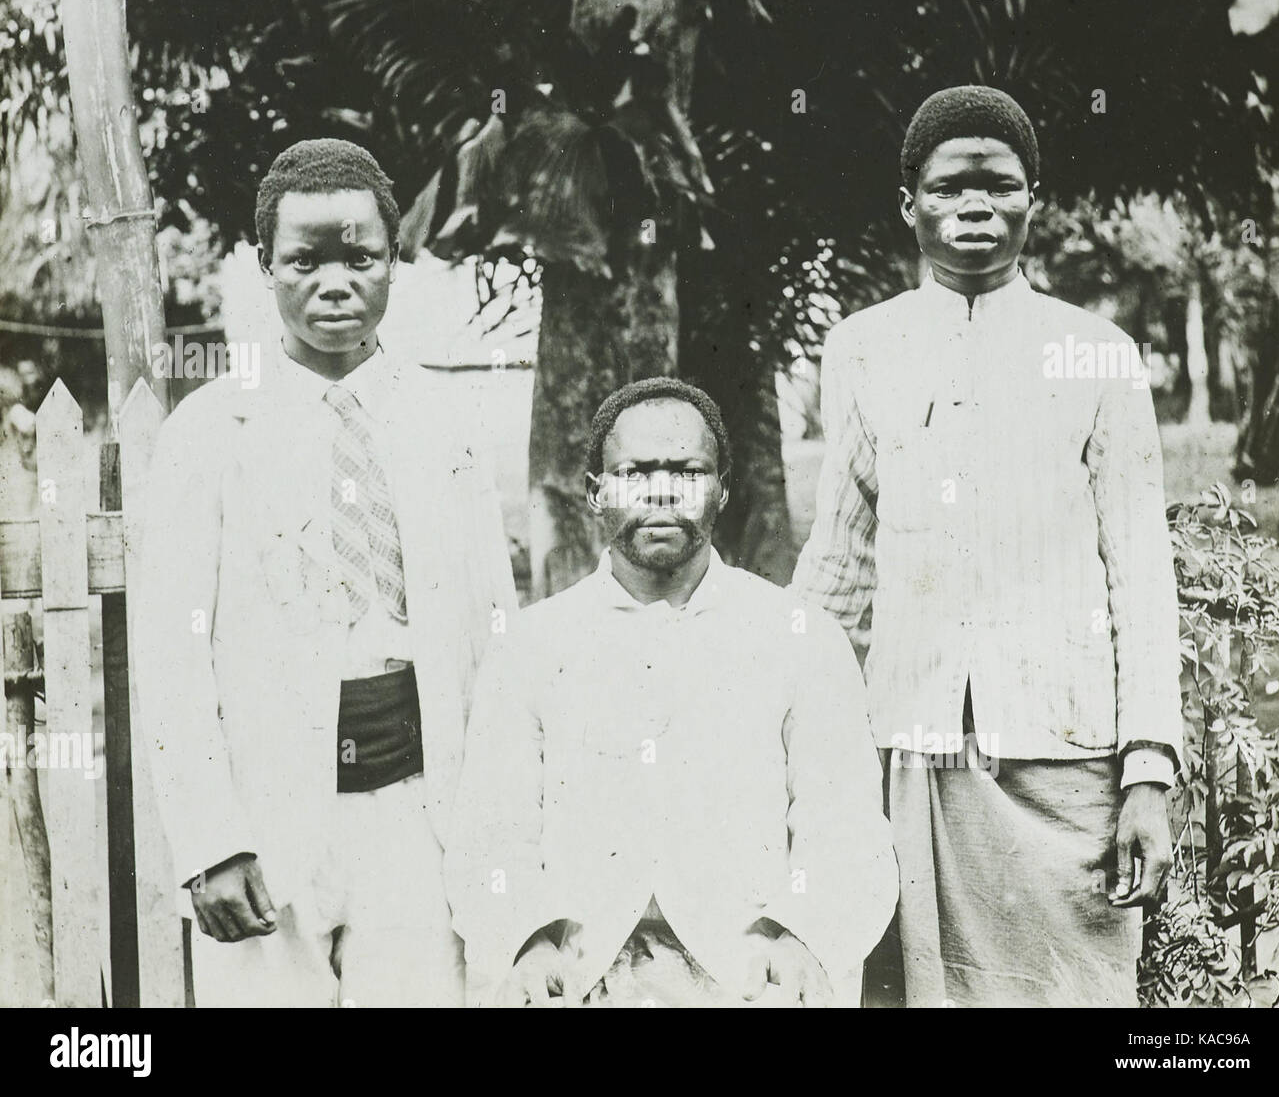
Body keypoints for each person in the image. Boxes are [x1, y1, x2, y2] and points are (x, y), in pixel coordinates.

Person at [791, 86, 1182, 1007]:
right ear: (908, 202)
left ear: (1032, 201)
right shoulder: (861, 349)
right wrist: (786, 731)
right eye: (949, 186)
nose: (975, 205)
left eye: (1000, 186)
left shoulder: (1097, 353)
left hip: (1065, 768)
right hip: (912, 755)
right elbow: (840, 563)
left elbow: (1140, 576)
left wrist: (1149, 776)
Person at [134, 138, 516, 1007]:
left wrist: (495, 823)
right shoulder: (212, 431)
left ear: (394, 263)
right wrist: (212, 841)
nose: (334, 283)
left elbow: (495, 629)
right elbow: (171, 655)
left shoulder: (445, 423)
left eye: (361, 257)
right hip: (266, 819)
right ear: (264, 264)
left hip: (420, 811)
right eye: (305, 261)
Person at [445, 377, 897, 1008]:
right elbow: (493, 829)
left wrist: (801, 938)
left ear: (724, 489)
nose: (661, 490)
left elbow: (844, 828)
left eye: (687, 471)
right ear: (594, 492)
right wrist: (528, 942)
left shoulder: (799, 637)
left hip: (747, 970)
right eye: (634, 472)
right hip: (580, 969)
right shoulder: (531, 646)